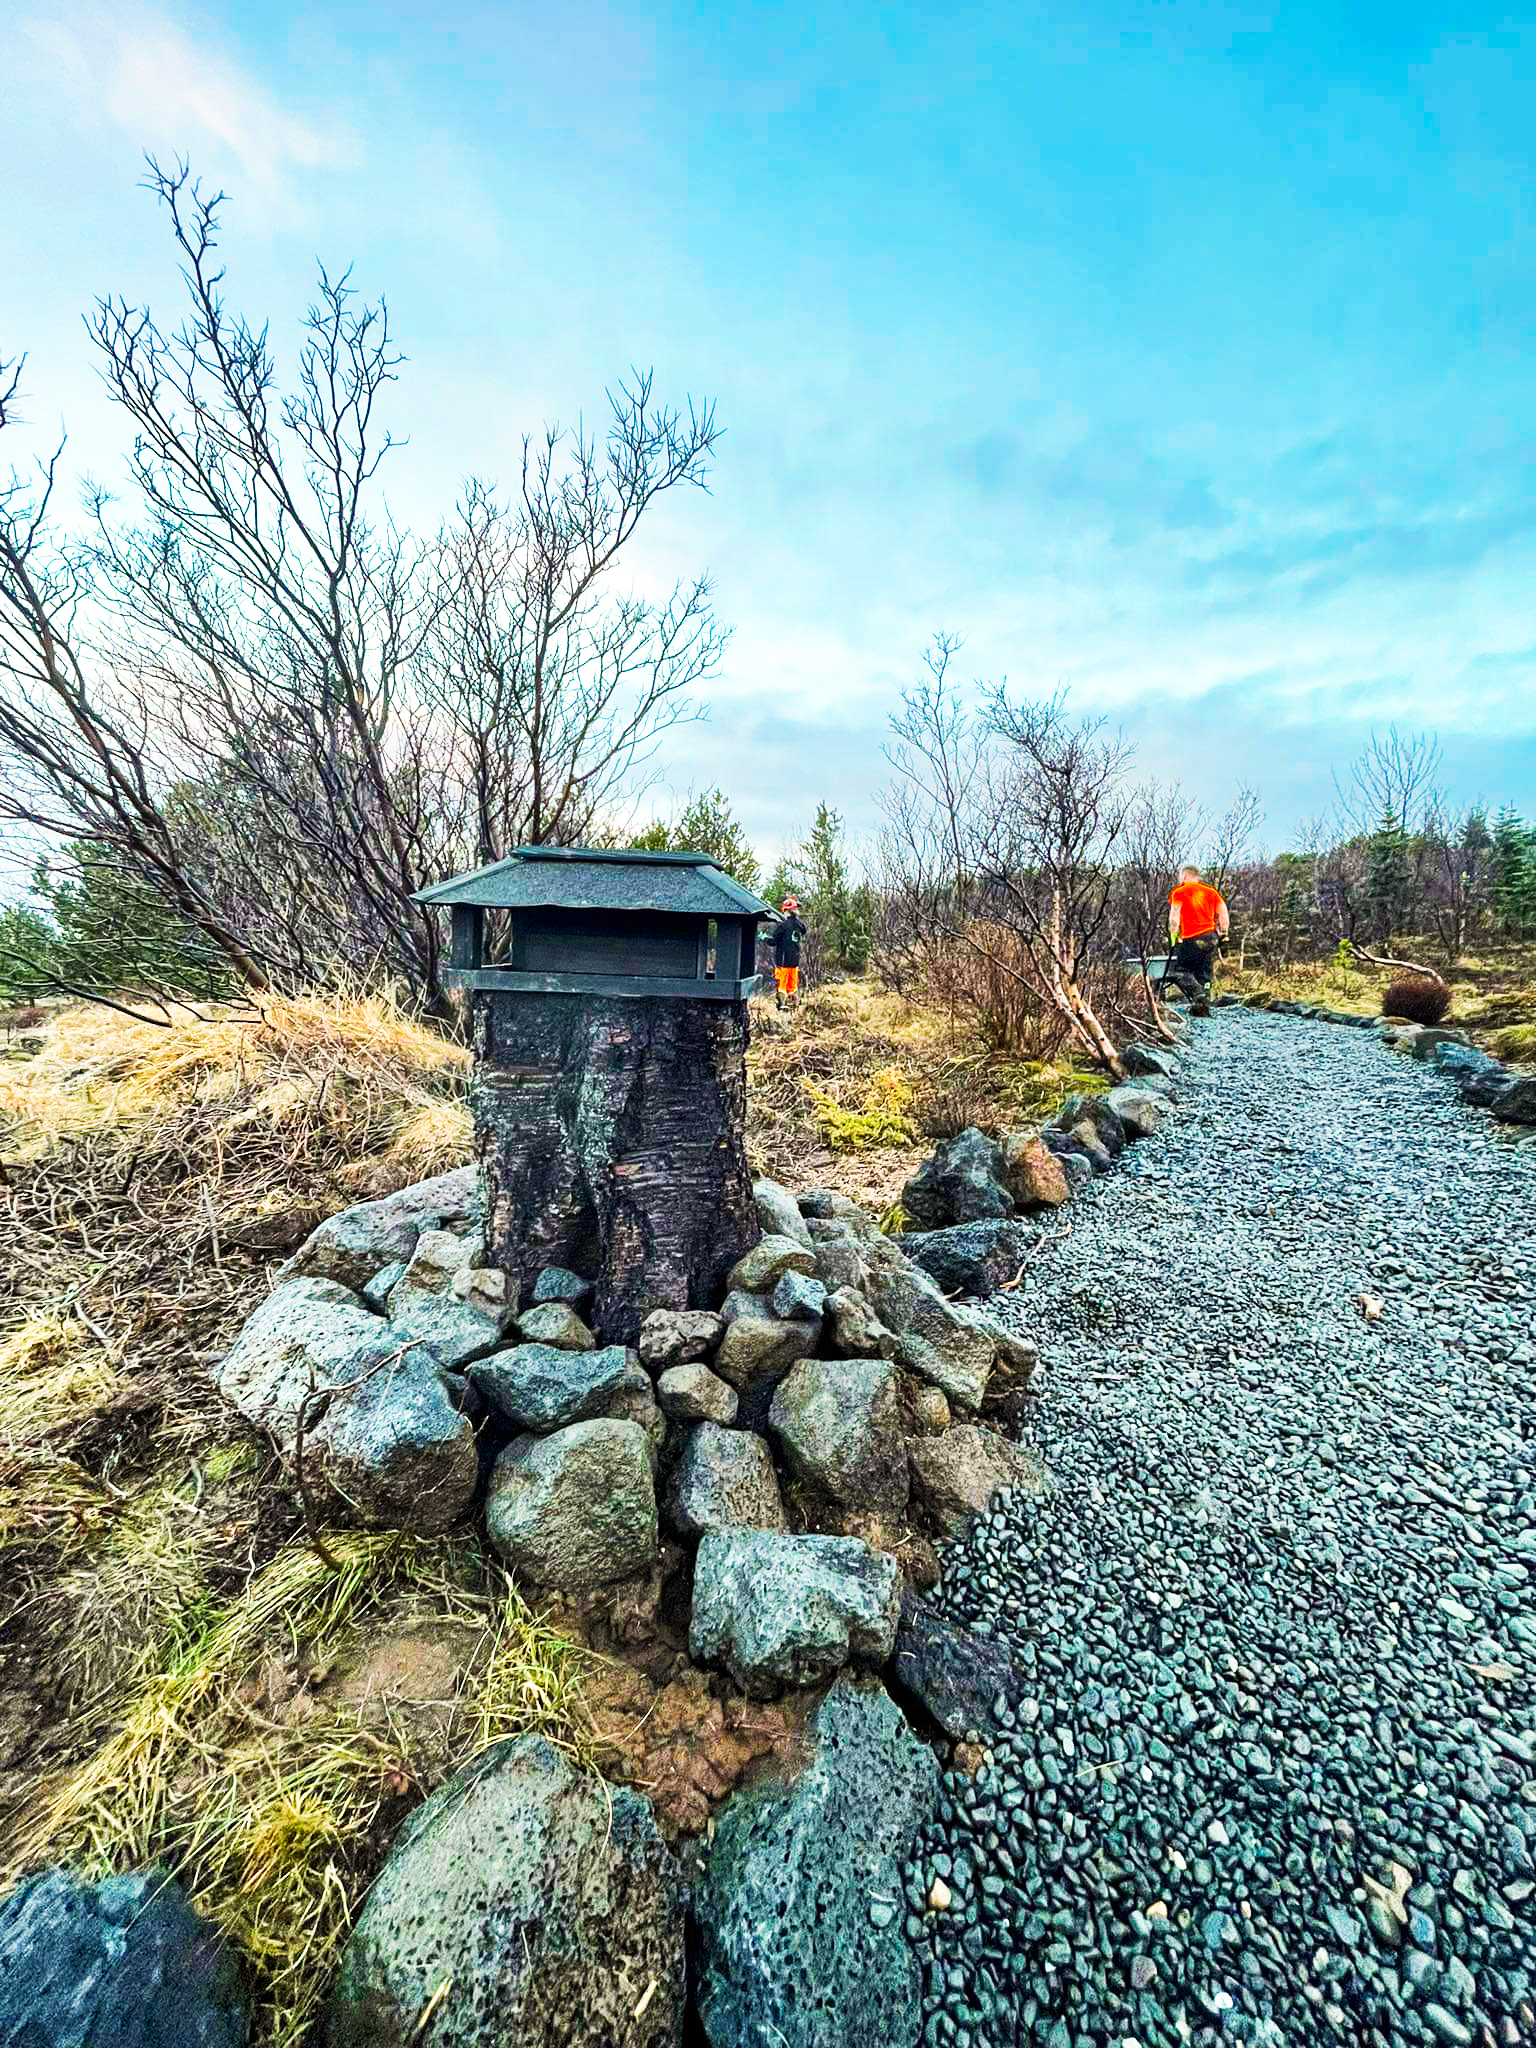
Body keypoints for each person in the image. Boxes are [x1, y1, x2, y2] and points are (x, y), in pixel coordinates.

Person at [1167, 864, 1230, 995]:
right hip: (1211, 937)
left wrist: (1173, 935)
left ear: (1184, 876)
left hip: (1192, 938)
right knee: (1204, 972)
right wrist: (1224, 935)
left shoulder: (1179, 892)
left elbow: (1174, 918)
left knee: (1181, 970)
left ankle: (1197, 995)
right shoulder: (1212, 892)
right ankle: (1206, 995)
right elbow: (1223, 915)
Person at [771, 896, 808, 1007]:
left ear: (786, 911)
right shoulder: (800, 925)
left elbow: (774, 940)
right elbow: (804, 930)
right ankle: (794, 1007)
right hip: (794, 961)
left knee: (781, 987)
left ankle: (782, 1006)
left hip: (783, 962)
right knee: (792, 987)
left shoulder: (783, 925)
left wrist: (764, 938)